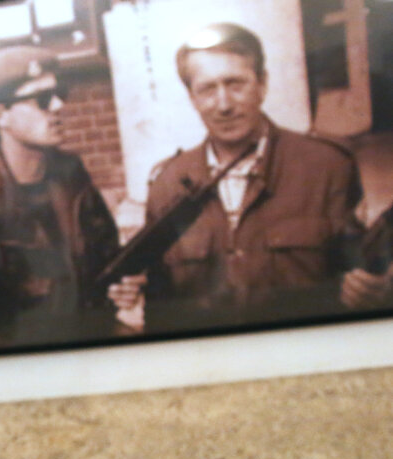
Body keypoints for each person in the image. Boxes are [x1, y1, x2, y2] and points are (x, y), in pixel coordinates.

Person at [108, 22, 391, 332]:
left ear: (262, 84)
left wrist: (374, 292)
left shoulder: (326, 167)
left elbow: (361, 277)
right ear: (192, 97)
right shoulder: (168, 184)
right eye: (207, 89)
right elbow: (161, 313)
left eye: (235, 84)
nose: (224, 104)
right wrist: (133, 294)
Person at [0, 46, 120, 352]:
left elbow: (107, 254)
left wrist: (122, 284)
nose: (58, 106)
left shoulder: (71, 172)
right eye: (42, 99)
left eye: (59, 93)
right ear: (0, 115)